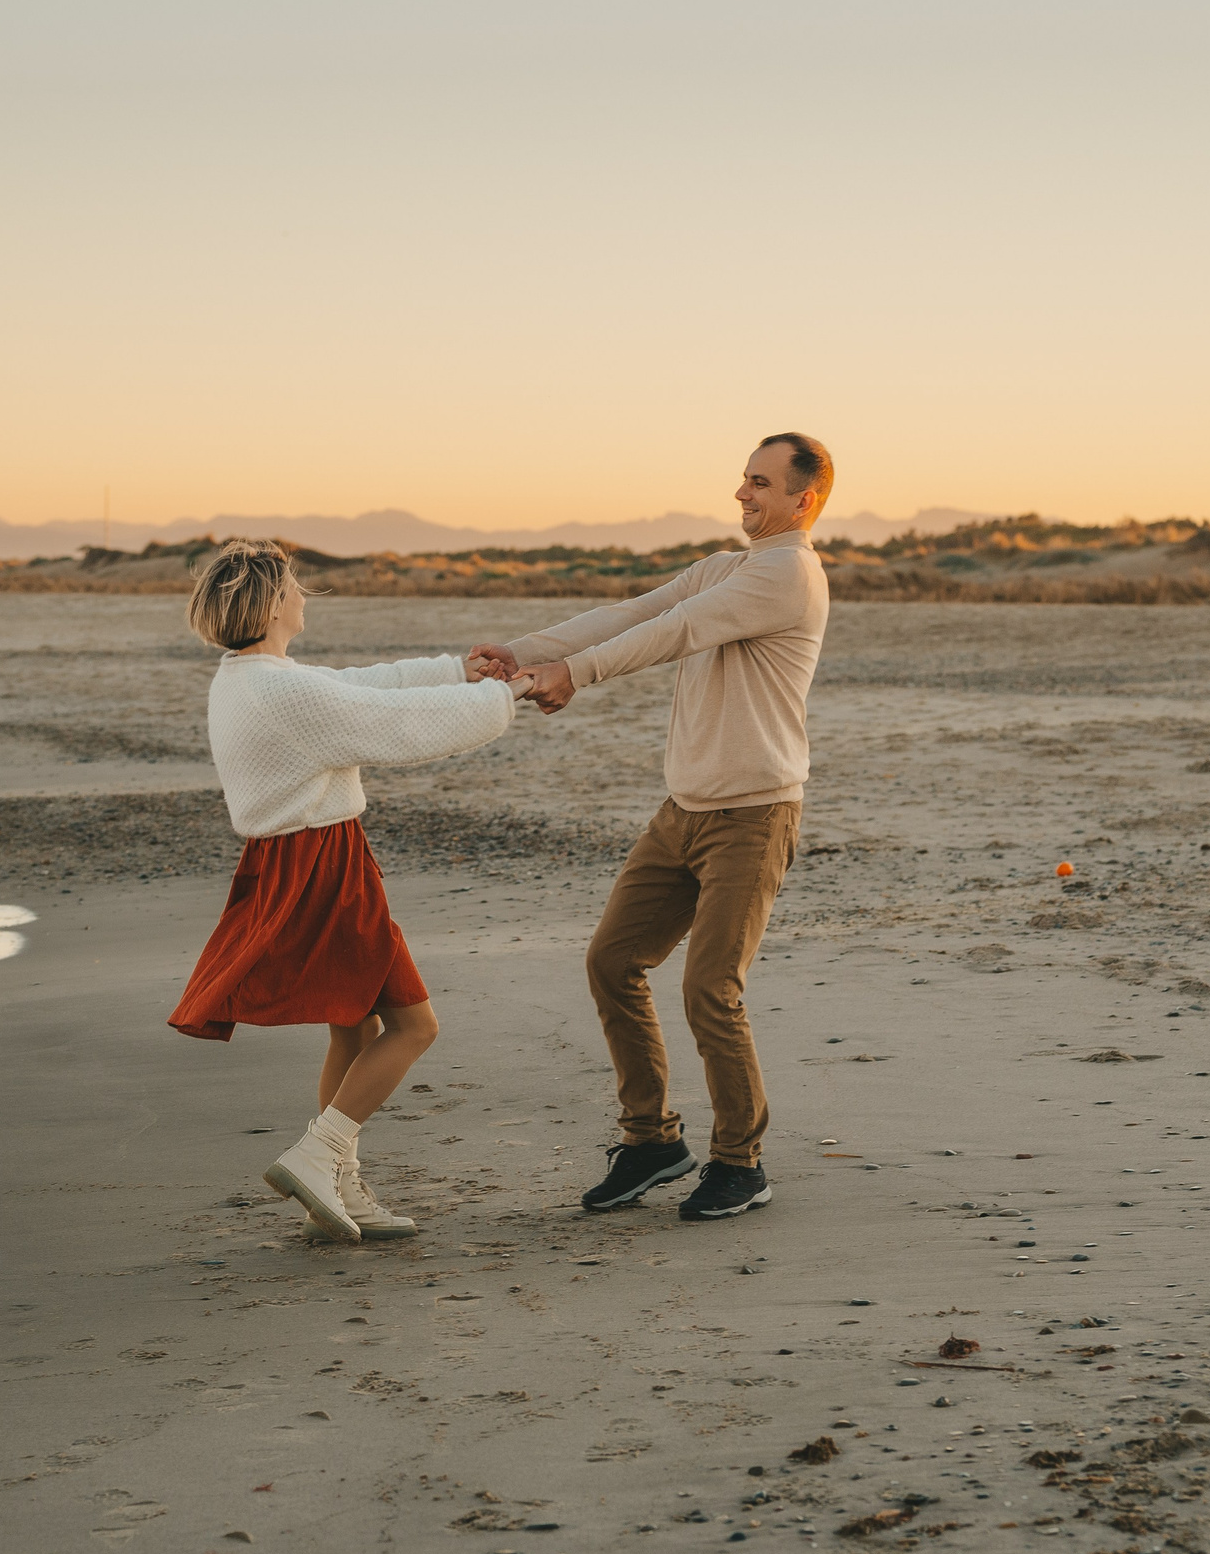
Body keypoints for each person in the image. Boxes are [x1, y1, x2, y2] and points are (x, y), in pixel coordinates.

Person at [468, 433, 834, 1222]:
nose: (743, 493)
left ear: (802, 500)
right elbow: (636, 611)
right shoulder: (724, 567)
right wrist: (525, 651)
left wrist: (576, 674)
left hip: (754, 813)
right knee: (613, 960)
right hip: (683, 812)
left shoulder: (787, 574)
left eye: (762, 483)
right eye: (743, 478)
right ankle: (652, 1142)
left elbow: (673, 632)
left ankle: (741, 1162)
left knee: (710, 986)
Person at [170, 539, 525, 1242]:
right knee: (415, 1025)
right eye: (296, 584)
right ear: (273, 601)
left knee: (355, 1023)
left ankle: (334, 1185)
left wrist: (456, 669)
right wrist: (502, 697)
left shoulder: (249, 676)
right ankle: (319, 1152)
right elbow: (390, 725)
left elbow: (357, 689)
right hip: (320, 865)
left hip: (296, 860)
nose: (305, 594)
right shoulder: (280, 689)